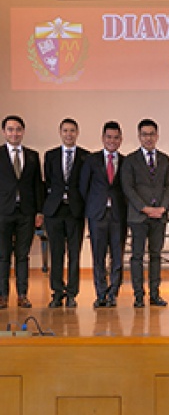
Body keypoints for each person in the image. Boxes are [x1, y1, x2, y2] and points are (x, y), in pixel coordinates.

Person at [121, 119, 169, 308]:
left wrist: (163, 208)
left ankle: (155, 294)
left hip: (159, 217)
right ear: (139, 136)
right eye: (144, 134)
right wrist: (144, 208)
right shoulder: (130, 160)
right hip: (138, 217)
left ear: (157, 136)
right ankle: (138, 296)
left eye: (151, 134)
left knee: (156, 255)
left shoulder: (165, 159)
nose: (148, 138)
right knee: (137, 256)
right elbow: (128, 188)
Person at [80, 121, 127, 308]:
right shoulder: (91, 160)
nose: (112, 141)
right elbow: (84, 187)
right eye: (109, 137)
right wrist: (92, 208)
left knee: (117, 256)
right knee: (98, 256)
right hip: (97, 214)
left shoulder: (125, 161)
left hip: (118, 215)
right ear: (102, 138)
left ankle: (113, 293)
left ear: (121, 140)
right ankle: (100, 294)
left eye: (116, 138)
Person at [43, 118, 90, 308]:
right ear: (60, 133)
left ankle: (72, 293)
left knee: (74, 254)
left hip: (75, 211)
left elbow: (86, 184)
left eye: (72, 130)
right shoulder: (50, 155)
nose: (69, 134)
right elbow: (48, 181)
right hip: (54, 210)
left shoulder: (86, 156)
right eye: (65, 130)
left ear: (77, 133)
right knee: (56, 253)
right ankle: (57, 292)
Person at [0, 115, 44, 308]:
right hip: (3, 211)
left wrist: (39, 211)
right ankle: (2, 296)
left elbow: (37, 185)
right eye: (10, 129)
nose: (14, 133)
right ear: (4, 132)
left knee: (22, 255)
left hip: (26, 212)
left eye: (18, 129)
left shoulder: (32, 156)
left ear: (23, 131)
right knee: (3, 255)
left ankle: (22, 295)